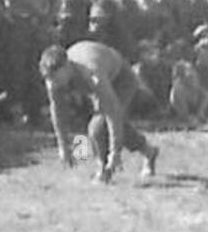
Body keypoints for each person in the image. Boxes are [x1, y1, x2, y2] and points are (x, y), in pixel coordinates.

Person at [40, 40, 159, 183]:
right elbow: (58, 112)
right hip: (96, 81)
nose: (53, 83)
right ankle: (149, 151)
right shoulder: (53, 80)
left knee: (97, 127)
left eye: (56, 78)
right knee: (103, 125)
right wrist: (63, 147)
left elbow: (113, 114)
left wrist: (115, 153)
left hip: (121, 79)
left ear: (66, 67)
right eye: (49, 79)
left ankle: (104, 170)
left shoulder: (92, 73)